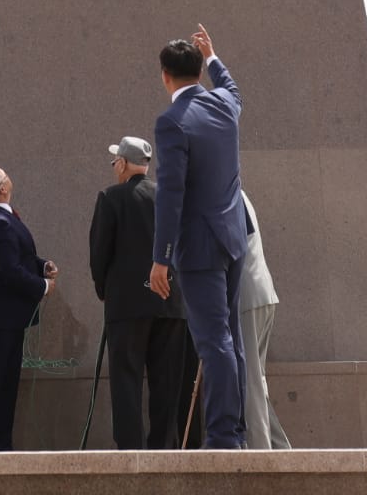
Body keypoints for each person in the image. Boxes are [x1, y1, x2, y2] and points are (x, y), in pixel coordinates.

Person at [149, 24, 248, 449]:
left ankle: (224, 437)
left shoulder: (171, 122)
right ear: (198, 71)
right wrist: (213, 55)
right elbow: (232, 86)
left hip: (200, 247)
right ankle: (234, 432)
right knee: (231, 342)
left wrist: (161, 257)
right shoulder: (226, 105)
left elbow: (171, 193)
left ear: (165, 75)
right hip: (233, 239)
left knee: (214, 342)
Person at [89, 135, 188, 448]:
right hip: (171, 304)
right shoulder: (171, 197)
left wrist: (103, 289)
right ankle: (164, 448)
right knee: (167, 382)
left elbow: (99, 254)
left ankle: (131, 450)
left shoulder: (111, 197)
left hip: (126, 306)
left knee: (127, 380)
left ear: (121, 163)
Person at [0, 164, 58, 451]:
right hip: (0, 315)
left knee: (6, 383)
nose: (9, 174)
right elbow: (9, 270)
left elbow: (19, 255)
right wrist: (42, 286)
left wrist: (41, 265)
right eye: (3, 173)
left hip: (8, 316)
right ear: (2, 188)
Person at [239, 191, 291, 450]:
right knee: (256, 380)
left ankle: (261, 456)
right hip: (261, 293)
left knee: (250, 382)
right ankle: (281, 450)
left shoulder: (225, 193)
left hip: (246, 297)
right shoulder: (240, 194)